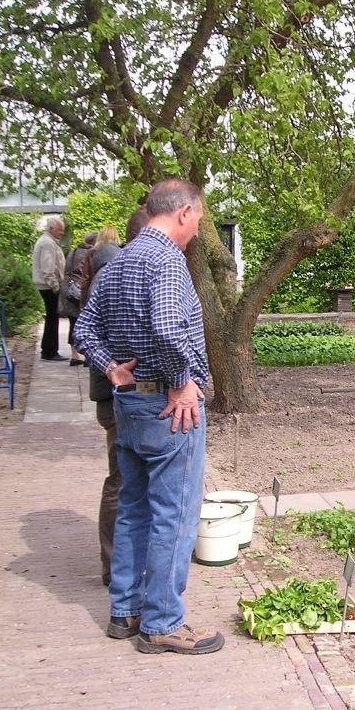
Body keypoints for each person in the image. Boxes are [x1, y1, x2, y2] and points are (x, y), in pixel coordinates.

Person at [74, 181, 223, 655]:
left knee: (134, 508)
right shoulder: (165, 261)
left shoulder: (118, 263)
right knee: (174, 516)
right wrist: (182, 382)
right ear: (182, 212)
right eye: (198, 217)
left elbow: (84, 328)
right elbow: (164, 326)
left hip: (130, 405)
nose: (198, 229)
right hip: (167, 406)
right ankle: (161, 622)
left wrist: (109, 365)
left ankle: (126, 611)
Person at [84, 209, 148, 588]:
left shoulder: (109, 269)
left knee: (124, 478)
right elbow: (89, 335)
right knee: (122, 479)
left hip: (114, 394)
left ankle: (121, 564)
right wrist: (113, 372)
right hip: (119, 395)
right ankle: (115, 568)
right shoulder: (121, 274)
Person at [59, 231, 97, 366]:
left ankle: (74, 355)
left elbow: (66, 269)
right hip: (81, 291)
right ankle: (87, 357)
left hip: (69, 289)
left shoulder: (73, 251)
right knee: (86, 324)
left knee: (73, 323)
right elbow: (88, 274)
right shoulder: (91, 253)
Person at [31, 215, 66, 361]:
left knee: (52, 317)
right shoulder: (47, 243)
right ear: (51, 229)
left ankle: (49, 350)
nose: (61, 233)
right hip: (48, 286)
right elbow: (48, 269)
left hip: (47, 285)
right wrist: (56, 287)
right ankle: (50, 351)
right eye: (59, 230)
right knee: (52, 318)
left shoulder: (48, 241)